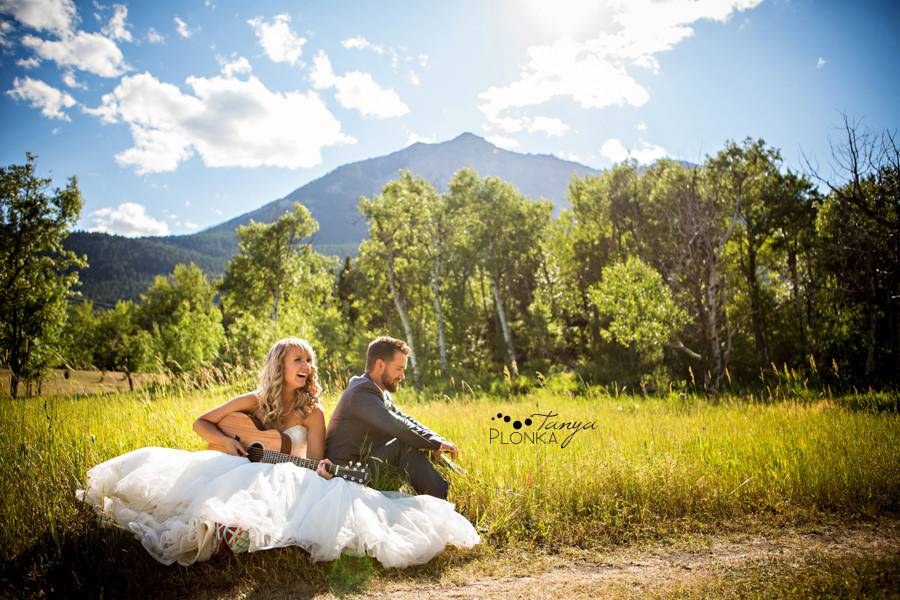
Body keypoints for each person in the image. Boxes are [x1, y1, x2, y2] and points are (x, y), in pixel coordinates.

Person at [76, 337, 480, 568]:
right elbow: (201, 422)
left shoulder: (314, 411)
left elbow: (317, 459)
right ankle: (220, 533)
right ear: (280, 367)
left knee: (303, 490)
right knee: (214, 489)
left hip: (292, 473)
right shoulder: (252, 400)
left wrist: (323, 471)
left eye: (309, 360)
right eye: (297, 359)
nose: (306, 365)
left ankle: (233, 536)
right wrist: (228, 444)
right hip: (241, 465)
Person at [326, 336, 458, 499]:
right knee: (405, 444)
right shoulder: (361, 393)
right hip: (349, 474)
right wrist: (435, 444)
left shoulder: (377, 389)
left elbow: (405, 419)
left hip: (367, 464)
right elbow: (396, 425)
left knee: (419, 441)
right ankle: (445, 499)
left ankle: (459, 478)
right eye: (399, 368)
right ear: (380, 365)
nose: (402, 376)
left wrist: (437, 441)